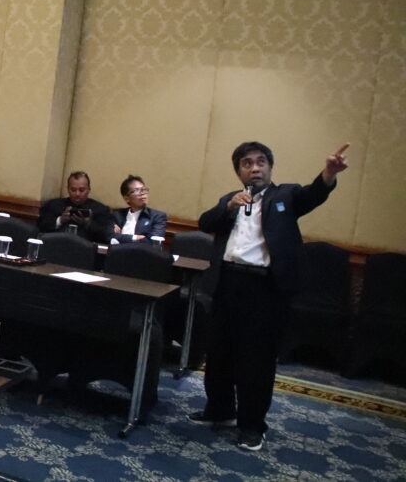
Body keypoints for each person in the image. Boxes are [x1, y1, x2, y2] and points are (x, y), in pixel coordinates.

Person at [190, 141, 349, 452]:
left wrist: (329, 173)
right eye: (247, 163)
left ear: (270, 167)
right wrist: (228, 206)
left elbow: (313, 194)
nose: (255, 168)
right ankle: (220, 410)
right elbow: (206, 223)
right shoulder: (231, 199)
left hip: (264, 289)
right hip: (227, 283)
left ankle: (251, 425)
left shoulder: (285, 196)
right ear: (239, 171)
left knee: (256, 360)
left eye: (261, 162)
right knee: (219, 353)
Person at [37, 171, 113, 242]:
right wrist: (60, 220)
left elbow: (106, 235)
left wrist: (87, 223)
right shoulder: (54, 205)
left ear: (89, 189)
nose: (77, 194)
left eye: (82, 190)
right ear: (68, 189)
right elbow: (40, 227)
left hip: (86, 248)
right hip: (56, 245)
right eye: (73, 190)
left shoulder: (100, 210)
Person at [110, 175, 167, 244]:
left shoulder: (157, 216)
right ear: (127, 198)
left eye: (144, 189)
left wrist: (120, 238)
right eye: (137, 190)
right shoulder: (117, 215)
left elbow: (153, 242)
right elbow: (108, 236)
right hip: (116, 250)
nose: (143, 193)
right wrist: (135, 237)